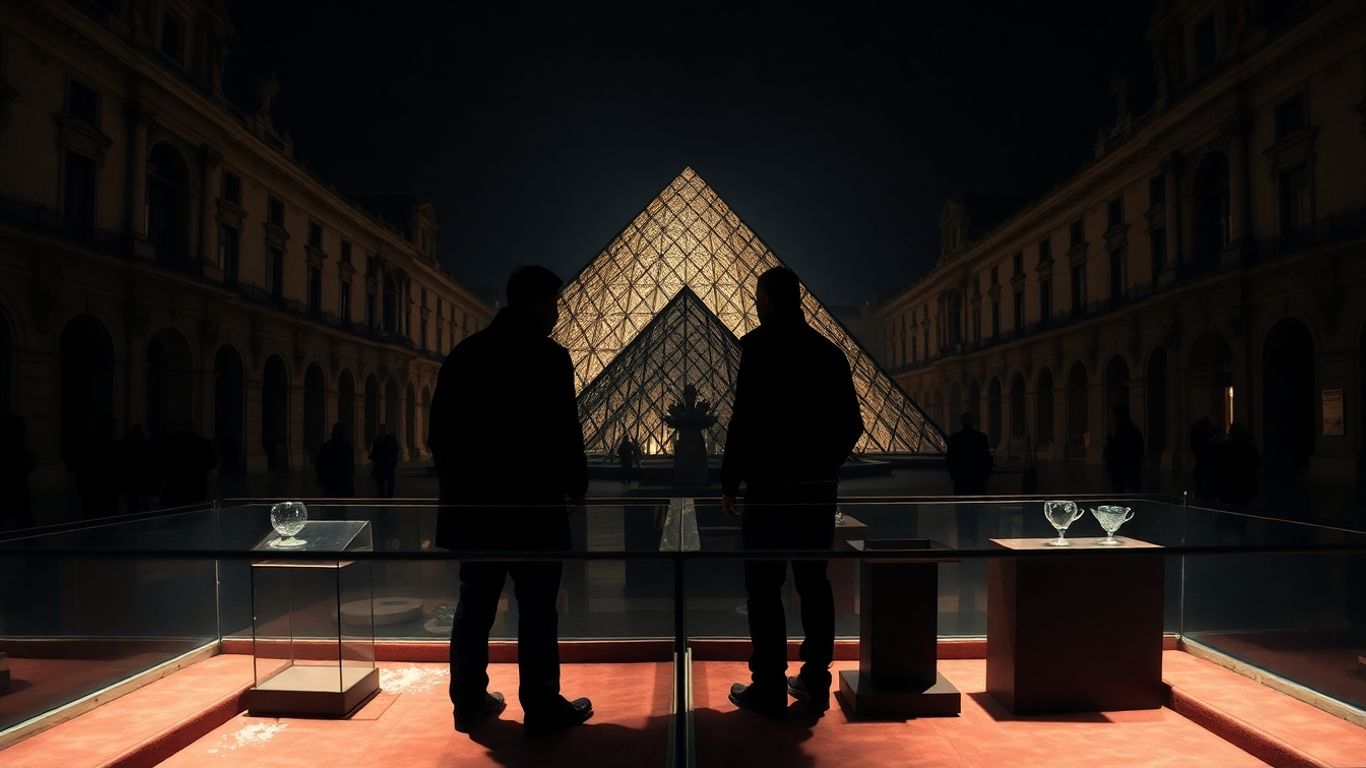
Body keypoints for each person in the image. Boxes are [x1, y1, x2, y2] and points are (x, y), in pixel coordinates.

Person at [428, 265, 592, 735]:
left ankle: (469, 703)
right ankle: (541, 707)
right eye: (555, 304)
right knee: (538, 609)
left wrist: (460, 485)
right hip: (533, 510)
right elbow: (565, 432)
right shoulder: (549, 357)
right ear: (538, 302)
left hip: (475, 510)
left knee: (474, 603)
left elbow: (437, 434)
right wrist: (575, 487)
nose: (558, 313)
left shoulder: (464, 354)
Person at [721, 267, 864, 718]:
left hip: (767, 492)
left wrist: (730, 480)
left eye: (757, 297)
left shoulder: (758, 347)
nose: (755, 304)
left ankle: (767, 684)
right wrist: (823, 467)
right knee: (815, 586)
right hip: (816, 494)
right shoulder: (829, 352)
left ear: (766, 299)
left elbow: (743, 422)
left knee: (763, 589)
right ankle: (815, 683)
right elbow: (854, 425)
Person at [0, 415, 36, 530]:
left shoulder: (12, 442)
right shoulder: (14, 443)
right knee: (22, 519)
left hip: (12, 488)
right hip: (15, 488)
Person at [945, 412, 993, 494]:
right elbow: (986, 457)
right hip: (977, 476)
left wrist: (952, 475)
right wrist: (987, 474)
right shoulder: (981, 437)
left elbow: (950, 458)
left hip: (961, 476)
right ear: (972, 422)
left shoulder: (955, 438)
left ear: (961, 422)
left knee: (961, 503)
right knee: (978, 503)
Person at [1217, 422, 1261, 506]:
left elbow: (1217, 463)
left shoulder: (1225, 446)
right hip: (1244, 485)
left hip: (1229, 485)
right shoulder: (1248, 446)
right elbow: (1257, 463)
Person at [1103, 404, 1144, 493]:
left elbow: (1120, 447)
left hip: (1122, 465)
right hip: (1132, 464)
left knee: (1119, 489)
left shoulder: (1122, 428)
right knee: (1133, 488)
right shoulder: (1134, 428)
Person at [315, 422, 356, 497]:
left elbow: (319, 465)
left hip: (330, 485)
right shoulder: (347, 447)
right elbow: (351, 468)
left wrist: (321, 479)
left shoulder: (326, 446)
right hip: (344, 486)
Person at [1190, 415, 1221, 500]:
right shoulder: (1204, 428)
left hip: (1201, 453)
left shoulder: (1197, 427)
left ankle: (1202, 491)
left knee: (1201, 473)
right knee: (1204, 473)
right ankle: (1205, 491)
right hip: (1205, 454)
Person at [369, 423, 400, 498]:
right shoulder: (378, 440)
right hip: (382, 466)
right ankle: (383, 500)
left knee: (390, 484)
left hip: (387, 465)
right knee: (381, 486)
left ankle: (387, 499)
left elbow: (396, 450)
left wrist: (394, 459)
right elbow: (374, 453)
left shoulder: (390, 438)